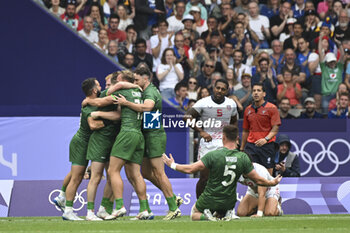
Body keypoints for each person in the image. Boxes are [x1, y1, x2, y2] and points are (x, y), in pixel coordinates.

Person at [163, 125, 282, 221]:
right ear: (237, 139)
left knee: (194, 214)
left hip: (210, 198)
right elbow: (259, 180)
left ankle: (209, 217)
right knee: (240, 211)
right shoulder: (243, 158)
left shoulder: (213, 155)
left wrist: (172, 165)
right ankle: (227, 213)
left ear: (223, 138)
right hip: (229, 201)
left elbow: (190, 169)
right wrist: (272, 182)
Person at [110, 67, 182, 220]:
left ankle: (173, 207)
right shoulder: (145, 90)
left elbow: (147, 107)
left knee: (159, 172)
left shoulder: (150, 92)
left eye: (137, 80)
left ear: (146, 79)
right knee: (146, 173)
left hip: (154, 135)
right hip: (146, 135)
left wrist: (126, 103)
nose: (135, 83)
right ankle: (171, 198)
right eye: (133, 80)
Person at [102, 71, 150, 220]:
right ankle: (144, 209)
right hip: (139, 136)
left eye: (115, 81)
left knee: (112, 170)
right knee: (136, 174)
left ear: (121, 80)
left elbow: (105, 96)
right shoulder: (139, 91)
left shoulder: (122, 91)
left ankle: (120, 206)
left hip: (127, 133)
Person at [58, 78, 106, 221]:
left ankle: (64, 202)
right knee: (77, 177)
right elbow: (93, 126)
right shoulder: (88, 107)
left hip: (86, 143)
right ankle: (67, 210)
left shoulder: (94, 101)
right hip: (80, 143)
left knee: (77, 177)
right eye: (98, 85)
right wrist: (110, 122)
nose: (101, 87)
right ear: (94, 91)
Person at [185, 79, 238, 198]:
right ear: (213, 88)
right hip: (207, 144)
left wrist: (234, 139)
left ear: (227, 91)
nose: (219, 91)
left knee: (222, 177)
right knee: (204, 178)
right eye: (217, 88)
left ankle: (220, 207)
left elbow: (234, 121)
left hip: (224, 144)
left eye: (223, 89)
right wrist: (201, 131)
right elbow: (187, 116)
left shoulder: (231, 104)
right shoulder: (203, 102)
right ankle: (198, 206)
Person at [81, 74, 122, 221]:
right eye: (101, 84)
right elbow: (94, 124)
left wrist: (99, 112)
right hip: (99, 142)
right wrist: (107, 121)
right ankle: (90, 212)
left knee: (112, 175)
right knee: (96, 177)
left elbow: (115, 111)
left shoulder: (106, 96)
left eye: (107, 83)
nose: (104, 87)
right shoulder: (92, 102)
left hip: (113, 143)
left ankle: (103, 209)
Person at [241, 83, 281, 175]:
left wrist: (266, 139)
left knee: (267, 175)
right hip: (251, 146)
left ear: (264, 94)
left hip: (267, 146)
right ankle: (252, 190)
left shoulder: (272, 108)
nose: (256, 93)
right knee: (250, 173)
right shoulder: (247, 110)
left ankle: (268, 189)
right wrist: (242, 148)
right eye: (254, 91)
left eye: (259, 91)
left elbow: (276, 127)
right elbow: (245, 130)